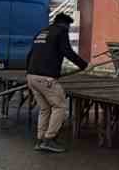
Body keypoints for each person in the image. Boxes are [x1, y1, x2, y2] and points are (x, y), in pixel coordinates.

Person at [24, 13, 88, 153]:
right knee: (60, 107)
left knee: (45, 108)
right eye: (68, 26)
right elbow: (67, 51)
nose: (68, 29)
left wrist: (28, 73)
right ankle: (49, 139)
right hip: (45, 78)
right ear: (64, 24)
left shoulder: (42, 32)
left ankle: (40, 139)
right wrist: (83, 65)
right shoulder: (60, 31)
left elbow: (30, 54)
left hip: (31, 76)